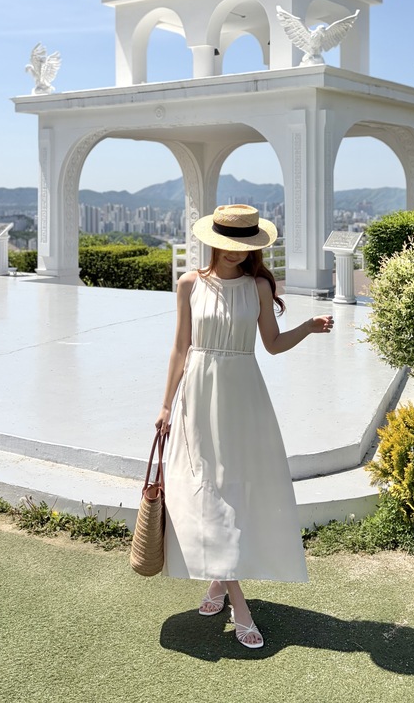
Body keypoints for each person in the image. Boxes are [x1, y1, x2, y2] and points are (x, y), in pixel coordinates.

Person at [155, 204, 334, 649]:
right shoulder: (188, 284)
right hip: (198, 395)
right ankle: (240, 604)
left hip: (244, 397)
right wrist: (165, 406)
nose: (236, 253)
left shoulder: (257, 287)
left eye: (245, 246)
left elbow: (271, 345)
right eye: (229, 244)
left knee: (233, 490)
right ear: (211, 240)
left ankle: (218, 581)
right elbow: (180, 348)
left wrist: (308, 328)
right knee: (207, 490)